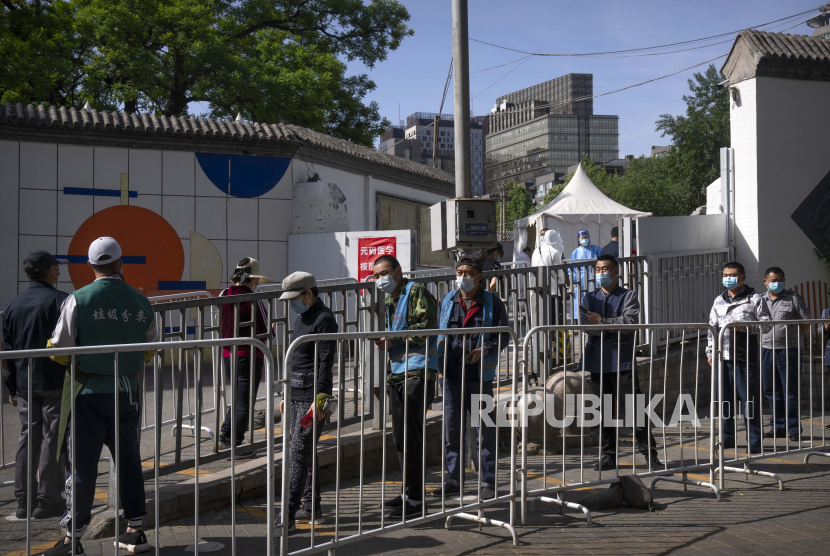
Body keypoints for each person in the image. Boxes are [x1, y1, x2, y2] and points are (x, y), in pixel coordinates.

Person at [45, 237, 158, 555]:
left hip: (87, 393)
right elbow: (148, 348)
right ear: (121, 263)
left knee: (81, 466)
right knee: (129, 460)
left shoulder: (79, 299)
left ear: (91, 266)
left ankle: (72, 539)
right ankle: (135, 530)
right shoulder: (140, 301)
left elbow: (59, 348)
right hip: (127, 391)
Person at [432, 257, 510, 501]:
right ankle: (453, 479)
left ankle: (487, 481)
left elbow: (504, 336)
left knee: (484, 431)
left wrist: (483, 351)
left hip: (480, 377)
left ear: (479, 277)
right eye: (459, 272)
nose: (462, 276)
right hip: (452, 376)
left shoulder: (492, 303)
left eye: (468, 272)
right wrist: (439, 366)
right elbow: (439, 334)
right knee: (451, 430)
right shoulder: (448, 300)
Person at [3, 251, 69, 520]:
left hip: (24, 382)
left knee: (27, 437)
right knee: (53, 437)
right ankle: (48, 499)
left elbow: (8, 350)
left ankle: (23, 501)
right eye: (57, 268)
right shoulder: (61, 300)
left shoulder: (13, 305)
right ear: (51, 271)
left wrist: (11, 387)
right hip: (56, 379)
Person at [579, 255, 661, 471]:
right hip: (598, 363)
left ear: (615, 272)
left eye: (605, 269)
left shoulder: (628, 296)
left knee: (635, 411)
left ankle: (650, 455)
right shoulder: (590, 298)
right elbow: (586, 326)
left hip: (621, 363)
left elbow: (630, 323)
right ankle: (609, 456)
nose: (600, 273)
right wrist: (606, 324)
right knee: (604, 412)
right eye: (597, 269)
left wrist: (603, 322)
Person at [372, 254, 439, 518]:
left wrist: (393, 340)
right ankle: (408, 492)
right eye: (376, 276)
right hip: (398, 374)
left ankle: (415, 500)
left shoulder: (416, 291)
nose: (380, 279)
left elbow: (426, 327)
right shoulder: (391, 299)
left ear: (397, 271)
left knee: (412, 436)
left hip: (418, 372)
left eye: (384, 273)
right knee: (401, 438)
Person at [275, 272, 338, 534]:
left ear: (309, 293)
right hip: (296, 394)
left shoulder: (325, 319)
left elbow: (325, 363)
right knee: (305, 453)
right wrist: (285, 395)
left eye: (295, 298)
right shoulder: (303, 318)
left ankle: (287, 515)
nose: (292, 303)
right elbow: (295, 360)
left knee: (298, 454)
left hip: (312, 398)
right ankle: (312, 507)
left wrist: (320, 401)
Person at [706, 262, 770, 452]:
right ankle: (727, 438)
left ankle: (755, 441)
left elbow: (767, 325)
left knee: (749, 401)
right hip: (721, 357)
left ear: (742, 277)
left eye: (732, 275)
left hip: (745, 357)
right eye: (725, 275)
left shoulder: (755, 299)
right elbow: (711, 328)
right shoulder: (719, 300)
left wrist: (744, 327)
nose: (728, 278)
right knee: (725, 401)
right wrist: (710, 352)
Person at [217, 258, 273, 454]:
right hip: (249, 354)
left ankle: (225, 435)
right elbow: (265, 328)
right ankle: (235, 442)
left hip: (227, 352)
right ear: (254, 279)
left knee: (238, 397)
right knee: (245, 400)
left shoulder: (224, 294)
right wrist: (271, 330)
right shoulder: (254, 299)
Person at [761, 267, 809, 441]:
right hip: (766, 350)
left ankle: (794, 429)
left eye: (779, 279)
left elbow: (805, 323)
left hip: (789, 351)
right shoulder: (760, 301)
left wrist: (792, 340)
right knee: (771, 392)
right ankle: (778, 427)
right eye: (772, 280)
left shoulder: (793, 298)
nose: (776, 283)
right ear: (765, 282)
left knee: (790, 391)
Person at [569, 230, 603, 316]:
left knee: (595, 298)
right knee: (581, 300)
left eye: (586, 237)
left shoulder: (596, 249)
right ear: (578, 240)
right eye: (582, 237)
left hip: (594, 280)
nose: (584, 239)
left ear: (589, 237)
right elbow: (571, 269)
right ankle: (579, 318)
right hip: (580, 282)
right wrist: (573, 280)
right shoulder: (576, 252)